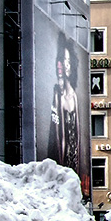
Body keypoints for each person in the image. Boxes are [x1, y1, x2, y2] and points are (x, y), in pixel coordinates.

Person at [48, 35, 80, 173]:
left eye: (67, 60)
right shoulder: (57, 93)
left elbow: (77, 138)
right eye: (61, 59)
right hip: (60, 166)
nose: (63, 64)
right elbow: (57, 137)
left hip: (72, 165)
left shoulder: (74, 96)